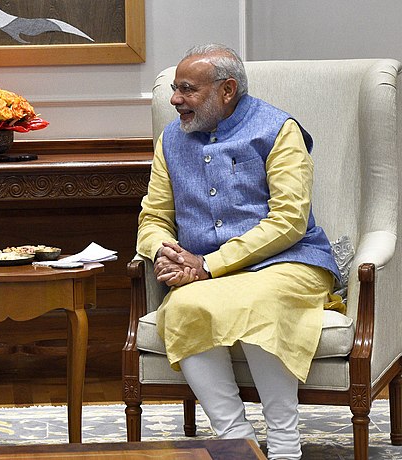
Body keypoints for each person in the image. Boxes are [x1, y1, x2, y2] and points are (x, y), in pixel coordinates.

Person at [136, 43, 342, 460]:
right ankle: (235, 438)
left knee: (256, 303)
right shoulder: (171, 140)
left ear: (226, 90)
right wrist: (165, 250)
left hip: (290, 261)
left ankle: (285, 443)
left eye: (187, 90)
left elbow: (288, 220)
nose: (175, 100)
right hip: (203, 272)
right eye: (175, 89)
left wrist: (209, 264)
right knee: (182, 307)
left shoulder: (277, 129)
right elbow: (154, 215)